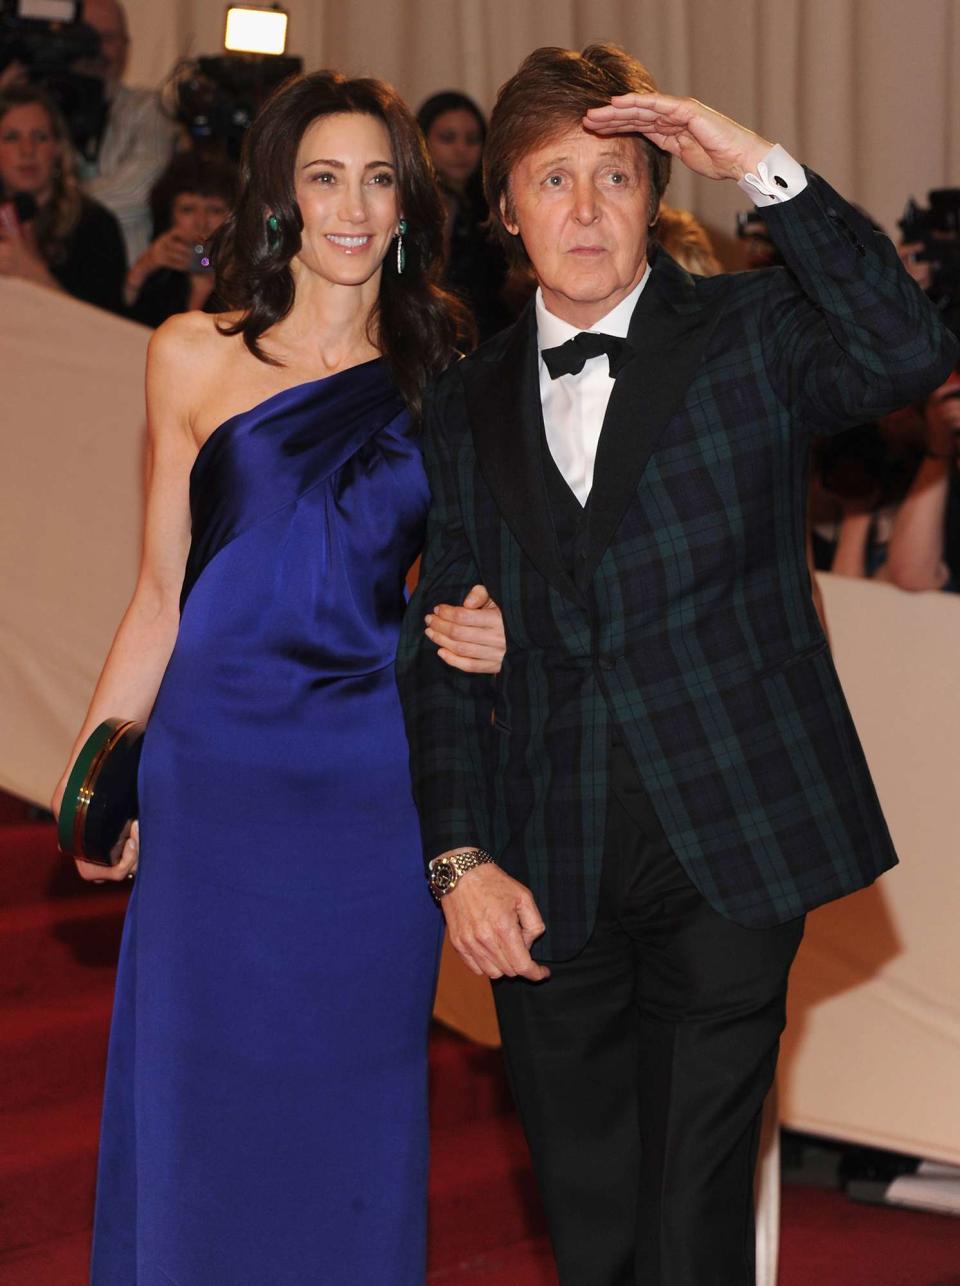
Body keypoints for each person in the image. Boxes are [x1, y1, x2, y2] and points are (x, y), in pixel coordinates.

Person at [397, 42, 956, 1286]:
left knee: (693, 1217)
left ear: (659, 196)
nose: (585, 209)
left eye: (615, 177)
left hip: (736, 839)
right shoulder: (464, 396)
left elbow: (907, 350)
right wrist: (458, 856)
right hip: (545, 855)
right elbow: (437, 640)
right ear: (506, 210)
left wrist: (756, 163)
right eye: (552, 180)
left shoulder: (751, 332)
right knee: (592, 1223)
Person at [53, 70, 505, 1285]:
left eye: (375, 178)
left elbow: (476, 579)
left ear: (407, 201)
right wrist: (98, 774)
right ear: (280, 199)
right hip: (215, 782)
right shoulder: (190, 355)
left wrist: (487, 629)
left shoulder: (446, 368)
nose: (350, 206)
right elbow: (160, 593)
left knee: (352, 1109)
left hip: (368, 790)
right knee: (197, 1101)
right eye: (323, 176)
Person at [0, 83, 126, 312]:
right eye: (11, 137)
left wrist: (33, 275)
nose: (27, 150)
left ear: (58, 149)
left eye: (40, 137)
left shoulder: (95, 226)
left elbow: (105, 331)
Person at [76, 0, 178, 263]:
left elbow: (137, 189)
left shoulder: (148, 107)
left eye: (107, 38)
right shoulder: (35, 110)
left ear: (126, 47)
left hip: (124, 281)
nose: (96, 49)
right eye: (84, 37)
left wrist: (53, 205)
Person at [417, 90, 514, 340]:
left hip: (490, 338)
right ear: (421, 140)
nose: (461, 149)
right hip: (441, 336)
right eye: (447, 138)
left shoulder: (488, 202)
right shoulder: (419, 204)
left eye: (472, 139)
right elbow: (430, 281)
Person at [124, 150, 236, 326]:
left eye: (215, 210)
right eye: (188, 209)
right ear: (170, 215)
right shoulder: (161, 272)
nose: (201, 222)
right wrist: (142, 268)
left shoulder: (248, 278)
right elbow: (117, 319)